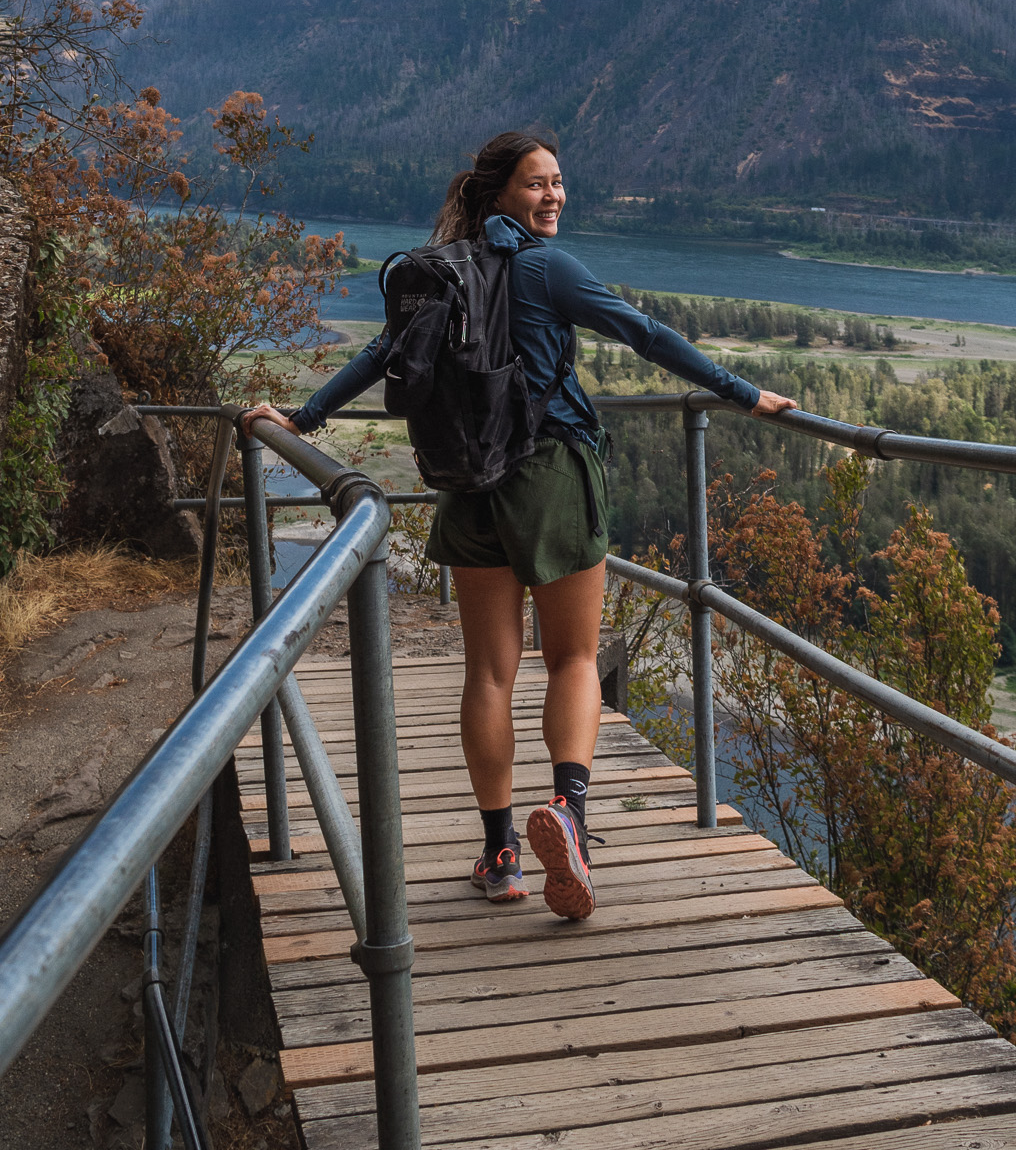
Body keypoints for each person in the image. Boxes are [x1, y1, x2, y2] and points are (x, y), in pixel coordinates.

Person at [243, 130, 794, 920]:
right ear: (498, 192)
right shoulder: (543, 268)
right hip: (547, 474)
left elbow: (383, 352)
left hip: (466, 486)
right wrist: (744, 394)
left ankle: (501, 853)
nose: (553, 196)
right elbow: (643, 333)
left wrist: (302, 417)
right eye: (538, 184)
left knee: (489, 673)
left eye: (559, 183)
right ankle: (567, 812)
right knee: (571, 657)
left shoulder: (441, 270)